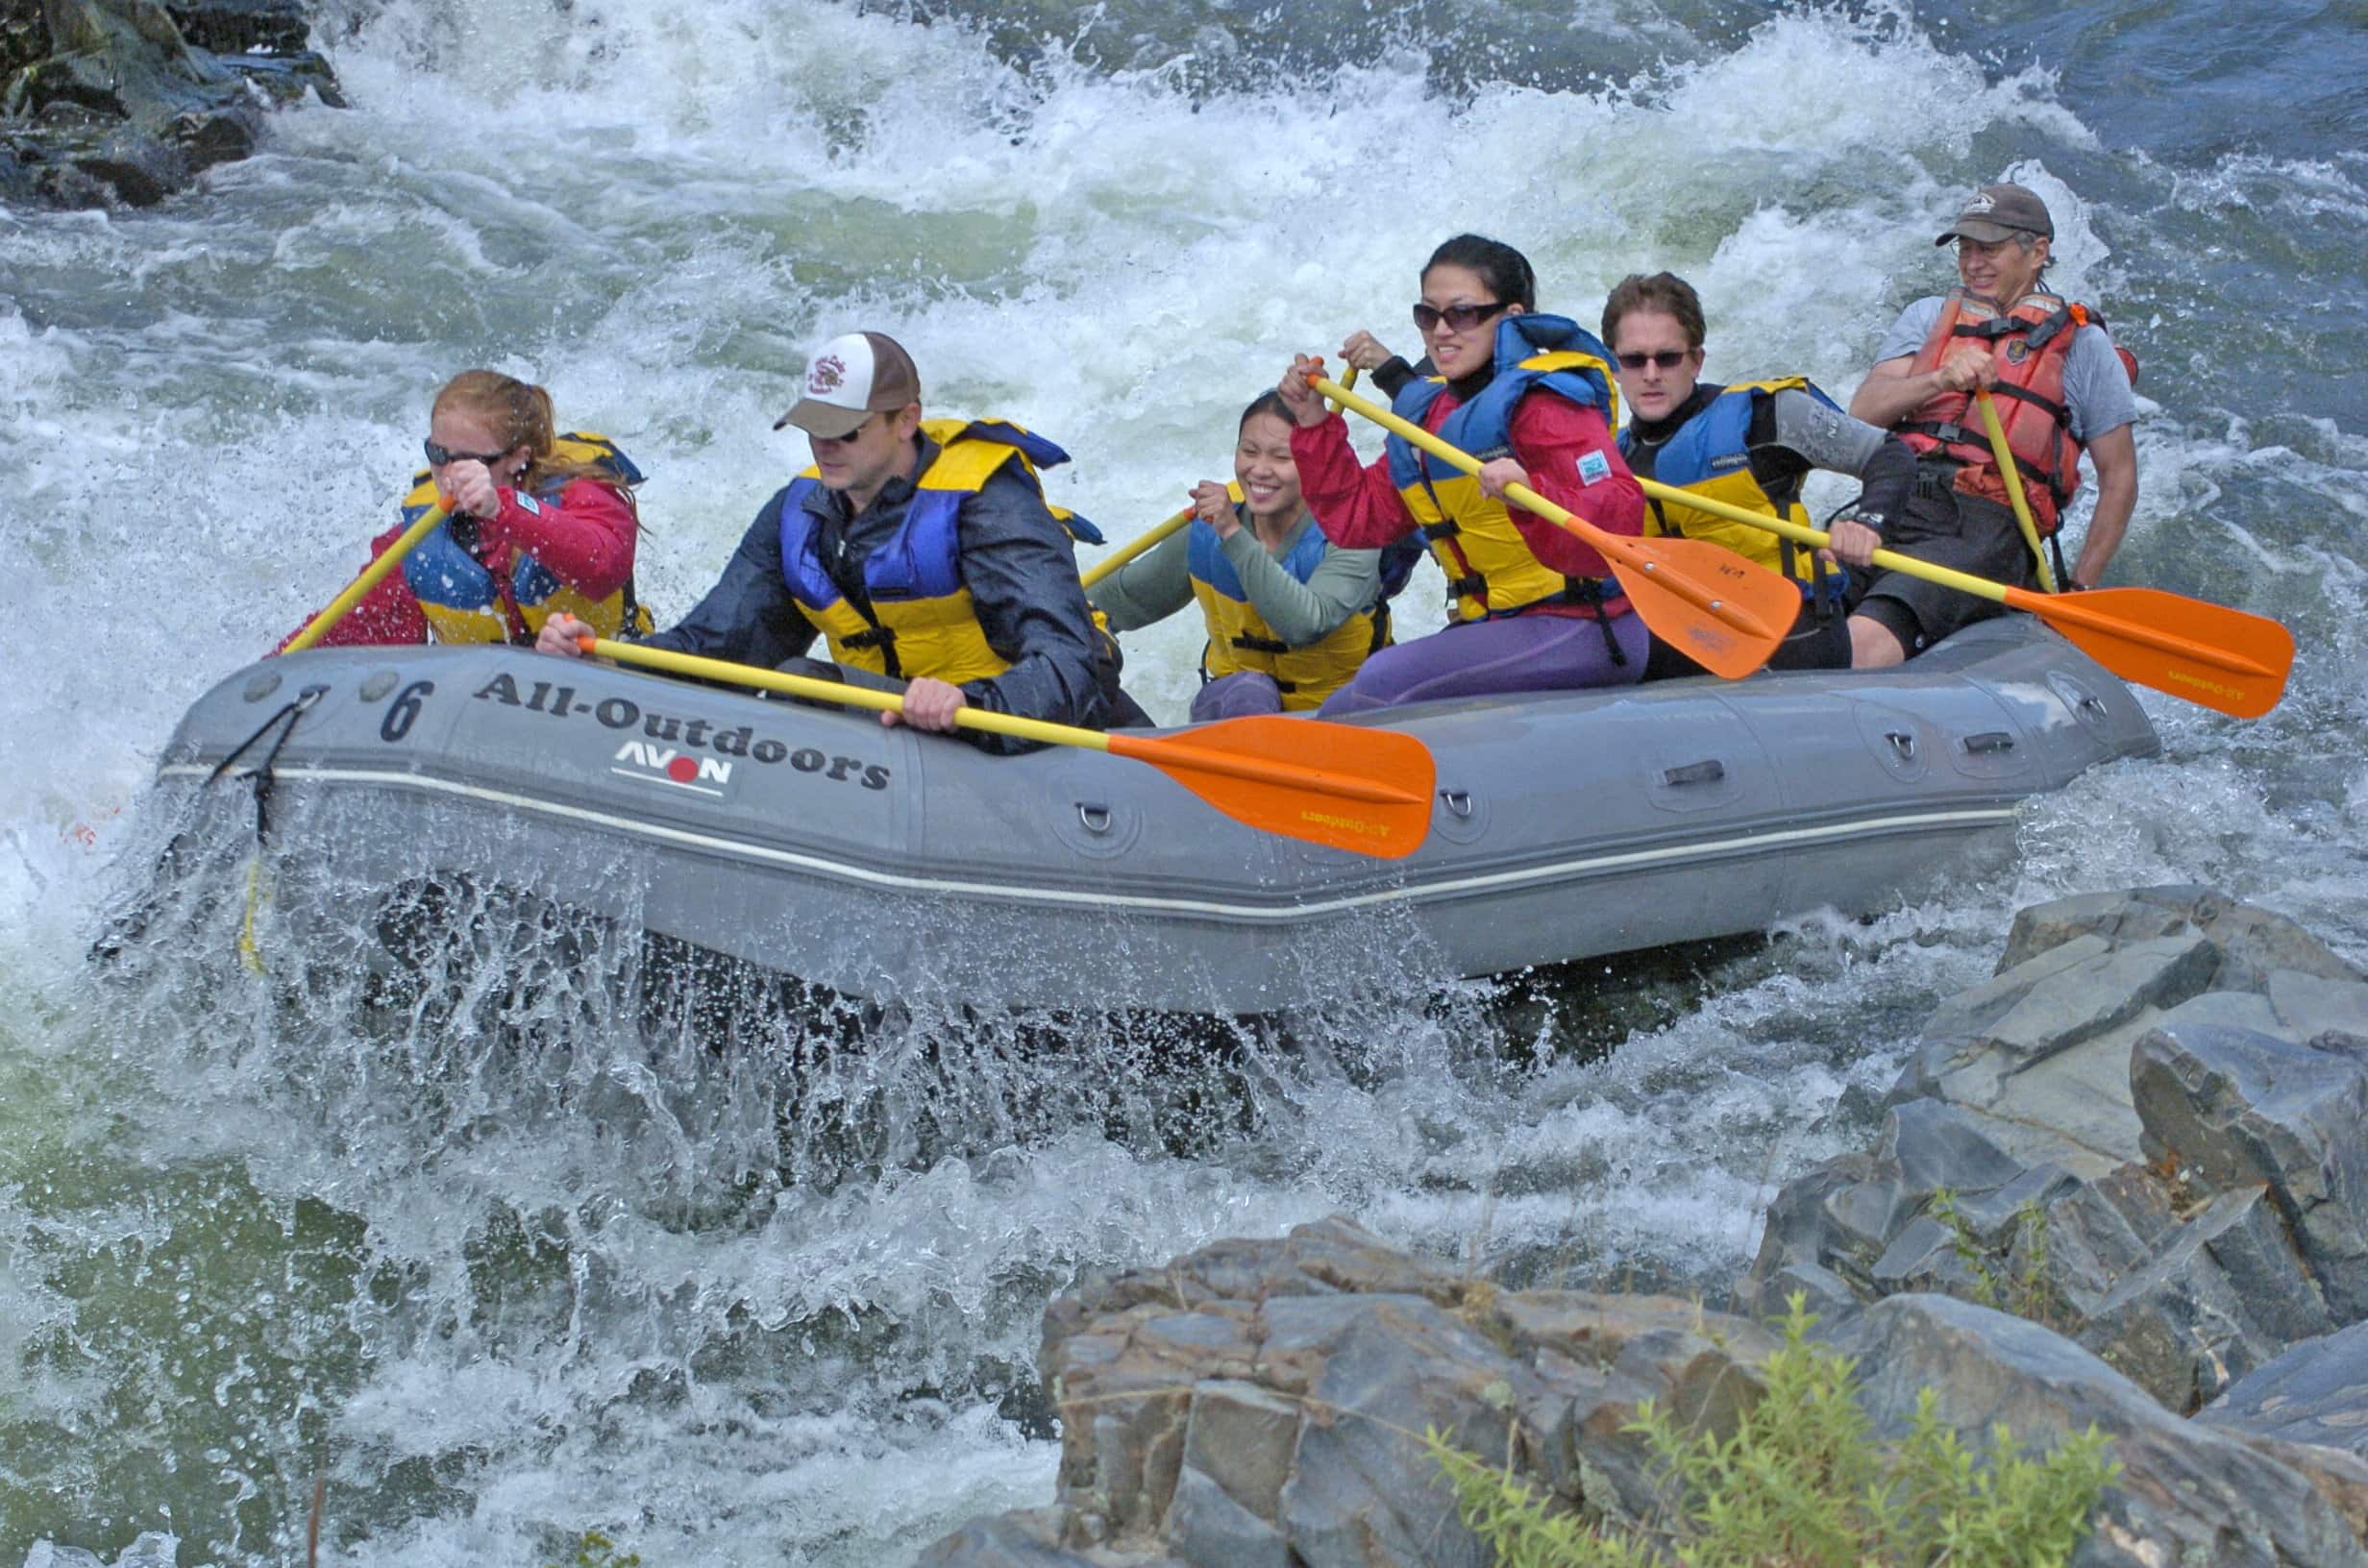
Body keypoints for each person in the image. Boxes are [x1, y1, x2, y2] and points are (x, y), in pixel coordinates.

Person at [537, 331, 1124, 747]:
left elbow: (1065, 661)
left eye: (844, 431)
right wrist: (607, 662)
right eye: (814, 428)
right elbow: (720, 643)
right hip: (900, 732)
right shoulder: (803, 511)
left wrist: (970, 705)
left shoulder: (988, 505)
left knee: (802, 688)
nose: (825, 447)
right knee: (793, 685)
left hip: (1014, 725)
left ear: (906, 420)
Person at [1275, 233, 1647, 714]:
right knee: (1348, 700)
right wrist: (1313, 424)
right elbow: (1358, 520)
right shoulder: (1430, 418)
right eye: (1428, 315)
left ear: (1512, 317)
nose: (1441, 331)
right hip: (1494, 628)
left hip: (1585, 625)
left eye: (1463, 313)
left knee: (1380, 682)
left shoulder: (1546, 404)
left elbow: (1621, 517)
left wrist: (1536, 493)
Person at [1838, 183, 2140, 666]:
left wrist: (2079, 588)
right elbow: (1865, 411)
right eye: (1966, 249)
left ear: (2037, 251)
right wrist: (1939, 378)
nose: (1973, 263)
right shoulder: (1927, 317)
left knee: (1863, 639)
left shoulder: (2083, 347)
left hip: (1986, 529)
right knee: (1800, 595)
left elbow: (2119, 477)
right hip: (1894, 501)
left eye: (1989, 250)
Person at [1600, 272, 1916, 677]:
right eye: (1633, 360)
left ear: (1696, 361)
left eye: (1667, 357)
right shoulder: (1611, 459)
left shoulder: (1765, 418)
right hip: (1688, 642)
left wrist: (1868, 523)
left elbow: (1888, 454)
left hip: (1790, 636)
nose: (1650, 374)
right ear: (1614, 366)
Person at [281, 371, 647, 649]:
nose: (450, 473)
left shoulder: (584, 493)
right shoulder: (420, 538)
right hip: (489, 708)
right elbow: (355, 629)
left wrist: (502, 508)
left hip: (609, 673)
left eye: (470, 460)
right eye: (439, 455)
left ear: (518, 459)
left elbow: (604, 567)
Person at [1089, 392, 1388, 720]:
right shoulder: (1207, 527)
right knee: (1249, 690)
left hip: (1346, 710)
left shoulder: (1353, 527)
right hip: (1236, 707)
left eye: (1281, 458)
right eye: (1249, 452)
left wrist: (1233, 534)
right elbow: (1124, 599)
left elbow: (1305, 624)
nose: (1259, 470)